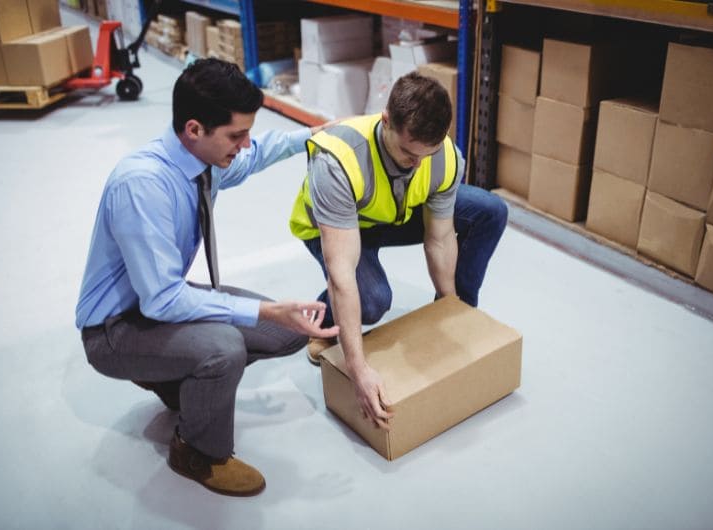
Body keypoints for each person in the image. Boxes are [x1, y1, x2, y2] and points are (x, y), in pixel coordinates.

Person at [76, 58, 339, 497]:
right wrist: (263, 309)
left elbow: (256, 157)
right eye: (236, 135)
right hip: (115, 329)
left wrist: (312, 138)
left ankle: (179, 383)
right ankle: (198, 451)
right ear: (194, 129)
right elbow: (161, 301)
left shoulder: (204, 161)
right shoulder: (142, 185)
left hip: (153, 304)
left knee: (285, 333)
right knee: (224, 346)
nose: (245, 144)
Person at [289, 71, 508, 431]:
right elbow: (342, 270)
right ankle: (325, 322)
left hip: (393, 211)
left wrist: (447, 312)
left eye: (428, 153)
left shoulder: (444, 158)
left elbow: (439, 237)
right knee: (372, 300)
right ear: (386, 121)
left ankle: (460, 313)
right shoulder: (339, 159)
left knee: (489, 211)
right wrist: (357, 369)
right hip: (336, 226)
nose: (417, 163)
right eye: (408, 152)